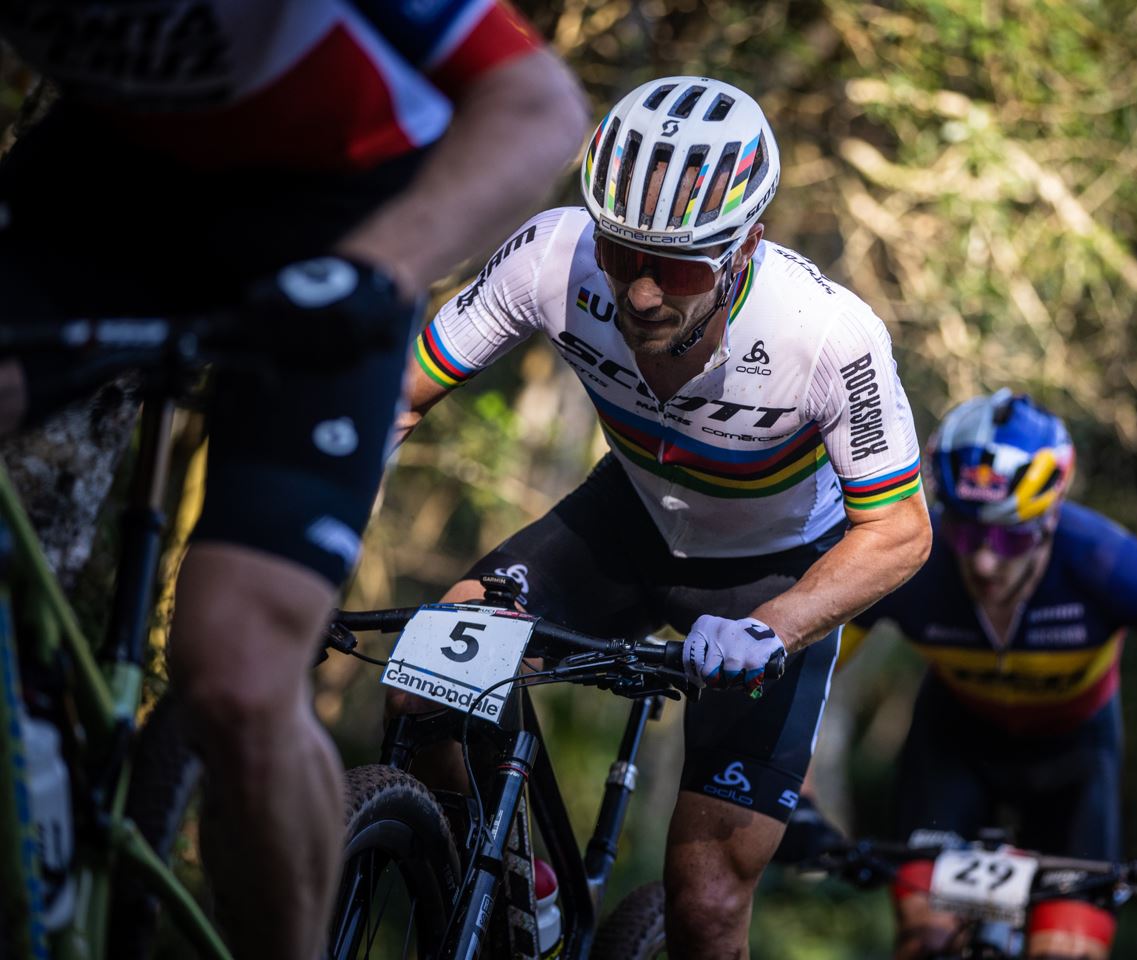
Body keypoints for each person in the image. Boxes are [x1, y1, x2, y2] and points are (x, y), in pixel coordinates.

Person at [0, 4, 589, 957]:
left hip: (329, 207)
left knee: (235, 670)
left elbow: (538, 104)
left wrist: (373, 271)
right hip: (107, 182)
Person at [393, 75, 932, 958]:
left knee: (708, 899)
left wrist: (775, 628)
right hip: (631, 520)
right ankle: (516, 888)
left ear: (746, 244)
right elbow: (397, 398)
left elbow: (901, 531)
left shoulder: (828, 337)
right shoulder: (554, 257)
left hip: (775, 567)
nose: (641, 294)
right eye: (622, 253)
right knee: (421, 687)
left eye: (677, 267)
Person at [840, 389, 1137, 960]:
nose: (984, 561)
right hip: (953, 751)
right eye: (968, 531)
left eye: (1010, 534)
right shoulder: (910, 561)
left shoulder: (1111, 565)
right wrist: (792, 799)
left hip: (1073, 764)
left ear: (1050, 513)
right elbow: (801, 665)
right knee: (927, 940)